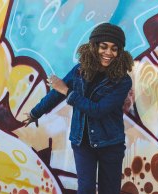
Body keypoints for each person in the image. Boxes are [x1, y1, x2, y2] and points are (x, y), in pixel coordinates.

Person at [23, 23, 134, 194]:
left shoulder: (123, 80)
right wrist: (34, 113)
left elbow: (98, 110)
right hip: (82, 142)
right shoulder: (79, 71)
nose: (108, 53)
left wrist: (67, 91)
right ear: (94, 46)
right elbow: (56, 93)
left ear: (120, 52)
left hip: (110, 143)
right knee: (86, 190)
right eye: (103, 47)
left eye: (114, 48)